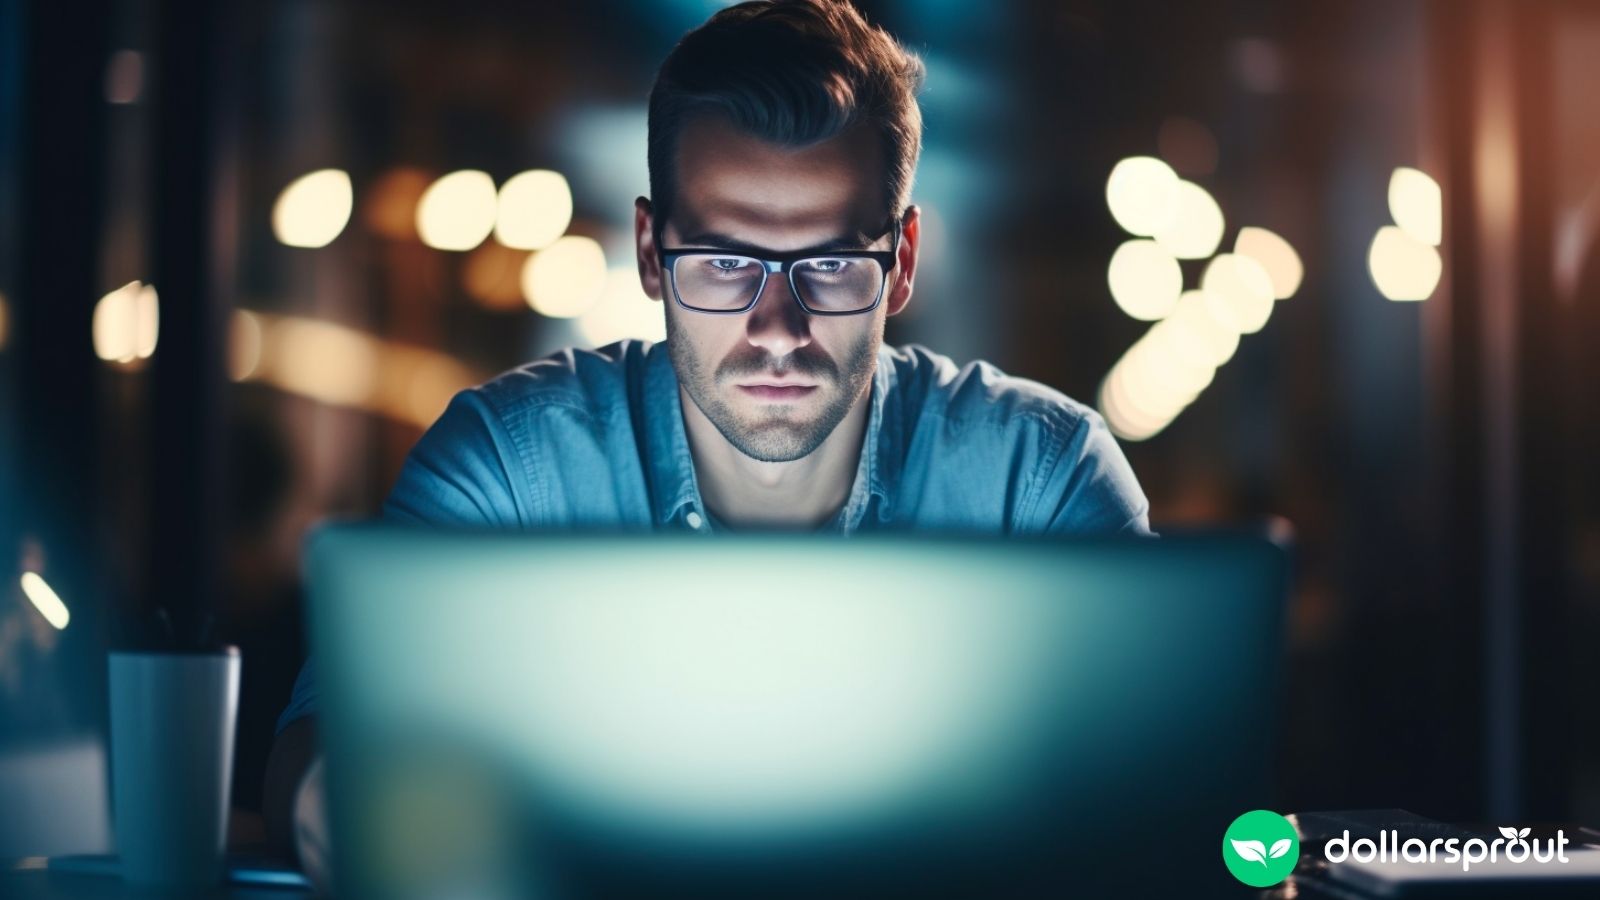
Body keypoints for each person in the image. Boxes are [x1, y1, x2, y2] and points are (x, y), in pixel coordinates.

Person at [264, 0, 1152, 884]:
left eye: (832, 264)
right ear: (652, 252)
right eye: (726, 263)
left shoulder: (1042, 477)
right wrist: (364, 815)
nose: (777, 327)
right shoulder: (508, 466)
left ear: (904, 260)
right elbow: (317, 752)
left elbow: (1160, 803)